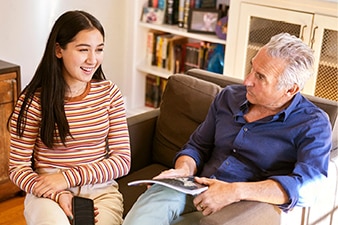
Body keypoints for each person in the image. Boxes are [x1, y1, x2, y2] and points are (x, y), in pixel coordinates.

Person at [122, 33, 332, 225]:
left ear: (291, 89)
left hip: (242, 205)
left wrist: (235, 191)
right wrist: (183, 170)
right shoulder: (229, 97)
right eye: (252, 68)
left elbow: (308, 188)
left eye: (260, 77)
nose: (247, 80)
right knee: (151, 203)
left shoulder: (312, 123)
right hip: (196, 186)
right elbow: (197, 146)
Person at [8, 10, 130, 225]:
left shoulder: (109, 93)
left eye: (99, 50)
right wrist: (57, 192)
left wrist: (67, 177)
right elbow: (18, 168)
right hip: (47, 191)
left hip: (100, 190)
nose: (93, 60)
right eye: (83, 50)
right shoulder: (34, 101)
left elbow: (122, 161)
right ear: (58, 50)